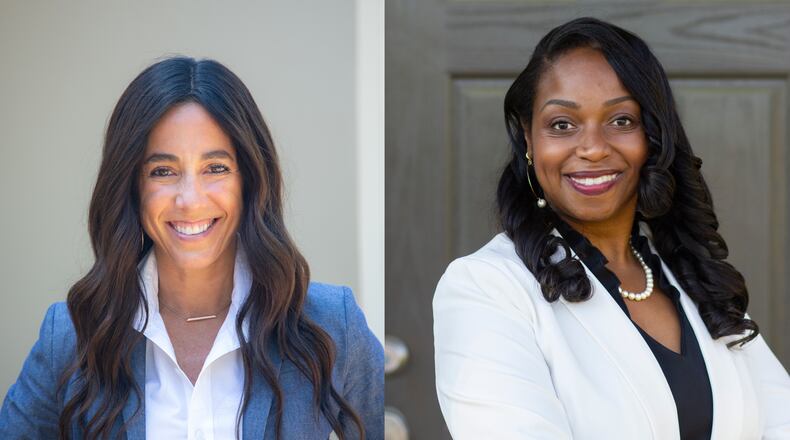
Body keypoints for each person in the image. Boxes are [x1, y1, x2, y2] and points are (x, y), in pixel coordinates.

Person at [433, 17, 790, 440]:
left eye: (621, 120)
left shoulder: (699, 283)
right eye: (562, 125)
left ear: (653, 136)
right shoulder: (487, 288)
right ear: (529, 141)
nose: (593, 148)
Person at [0, 57, 383, 440]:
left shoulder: (331, 327)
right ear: (132, 188)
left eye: (215, 168)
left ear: (248, 180)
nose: (190, 199)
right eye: (163, 171)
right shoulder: (72, 336)